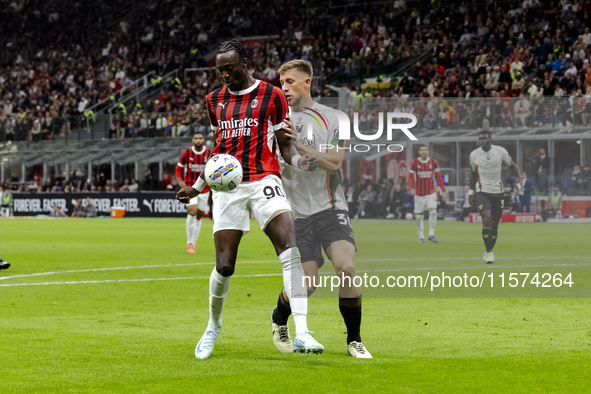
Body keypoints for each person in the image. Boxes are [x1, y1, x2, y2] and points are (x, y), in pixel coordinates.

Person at [175, 40, 322, 359]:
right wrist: (198, 186)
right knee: (225, 266)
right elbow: (218, 149)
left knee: (290, 250)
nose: (224, 75)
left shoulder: (272, 96)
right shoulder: (213, 100)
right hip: (228, 189)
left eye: (229, 68)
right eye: (220, 70)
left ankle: (303, 331)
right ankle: (213, 326)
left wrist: (299, 163)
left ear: (245, 62)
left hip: (265, 180)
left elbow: (285, 146)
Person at [273, 59, 372, 358]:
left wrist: (301, 147)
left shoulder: (334, 117)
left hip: (331, 208)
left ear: (307, 82)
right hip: (295, 215)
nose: (284, 88)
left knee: (348, 268)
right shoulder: (275, 124)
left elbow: (335, 162)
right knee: (309, 284)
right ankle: (279, 319)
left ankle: (353, 340)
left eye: (290, 82)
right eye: (281, 83)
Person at [469, 130, 522, 264]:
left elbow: (512, 165)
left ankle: (489, 250)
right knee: (486, 218)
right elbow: (473, 174)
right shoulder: (474, 155)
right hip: (482, 191)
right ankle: (489, 252)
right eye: (480, 139)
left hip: (498, 192)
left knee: (494, 224)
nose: (482, 141)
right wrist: (471, 193)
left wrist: (520, 179)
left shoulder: (500, 151)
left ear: (490, 139)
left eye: (485, 138)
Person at [175, 131, 211, 254]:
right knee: (192, 211)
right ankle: (189, 243)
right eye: (196, 138)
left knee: (200, 214)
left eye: (200, 138)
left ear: (204, 140)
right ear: (192, 140)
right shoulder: (187, 153)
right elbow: (178, 169)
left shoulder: (209, 152)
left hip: (205, 189)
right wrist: (180, 181)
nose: (198, 140)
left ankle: (193, 244)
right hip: (190, 187)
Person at [408, 144, 446, 243]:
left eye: (425, 150)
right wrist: (412, 188)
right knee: (419, 217)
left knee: (433, 212)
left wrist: (443, 191)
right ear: (419, 152)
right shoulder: (414, 163)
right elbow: (410, 177)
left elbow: (438, 177)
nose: (423, 151)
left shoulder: (433, 162)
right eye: (422, 150)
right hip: (419, 194)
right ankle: (421, 236)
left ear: (428, 151)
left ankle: (431, 234)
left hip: (431, 192)